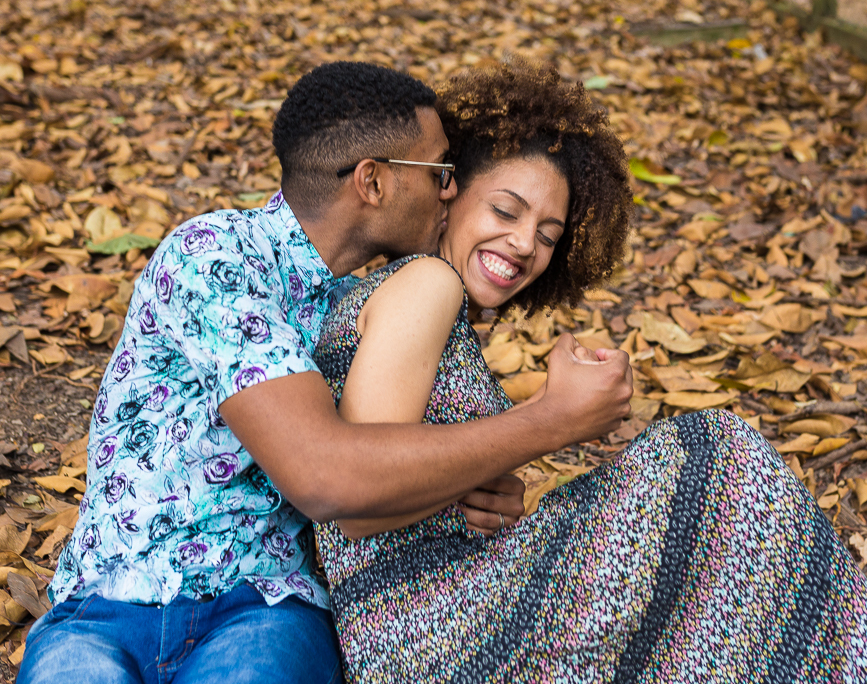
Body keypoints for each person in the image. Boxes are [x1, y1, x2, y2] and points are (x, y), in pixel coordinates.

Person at [313, 57, 867, 684]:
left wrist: (473, 490)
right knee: (716, 457)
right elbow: (360, 501)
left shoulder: (426, 303)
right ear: (450, 193)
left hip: (430, 626)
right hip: (430, 636)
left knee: (708, 548)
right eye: (506, 211)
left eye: (548, 235)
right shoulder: (426, 283)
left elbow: (400, 470)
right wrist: (550, 420)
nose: (524, 243)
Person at [18, 62, 633, 684]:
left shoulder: (365, 298)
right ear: (373, 181)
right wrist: (547, 422)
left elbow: (378, 466)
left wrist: (466, 484)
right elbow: (328, 479)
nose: (451, 192)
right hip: (109, 602)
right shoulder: (216, 256)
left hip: (265, 607)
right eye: (441, 173)